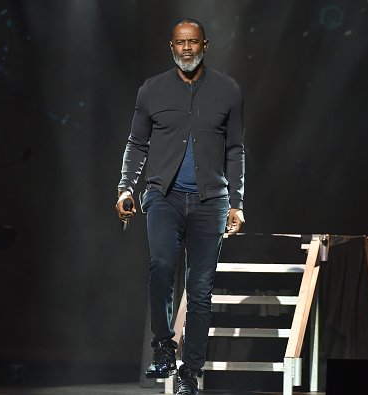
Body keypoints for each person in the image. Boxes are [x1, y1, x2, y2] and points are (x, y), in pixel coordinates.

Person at [115, 18, 245, 395]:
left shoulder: (228, 90)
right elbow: (137, 143)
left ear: (205, 45)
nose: (186, 49)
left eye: (193, 43)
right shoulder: (151, 90)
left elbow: (236, 148)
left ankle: (190, 371)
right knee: (160, 266)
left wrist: (237, 203)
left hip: (211, 201)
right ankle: (162, 345)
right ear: (171, 46)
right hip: (163, 196)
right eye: (179, 43)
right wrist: (125, 188)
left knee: (200, 289)